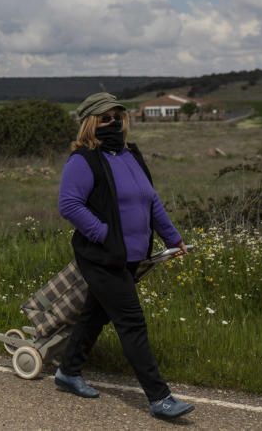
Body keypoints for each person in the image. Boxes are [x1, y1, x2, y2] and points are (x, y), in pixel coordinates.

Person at [53, 92, 195, 421]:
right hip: (101, 257)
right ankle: (160, 398)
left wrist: (173, 237)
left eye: (118, 116)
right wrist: (105, 235)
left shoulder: (131, 155)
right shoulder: (83, 161)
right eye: (106, 118)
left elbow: (151, 201)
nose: (114, 122)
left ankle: (67, 372)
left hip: (131, 257)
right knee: (131, 322)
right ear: (91, 123)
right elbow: (69, 205)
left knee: (95, 314)